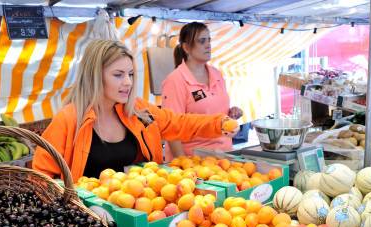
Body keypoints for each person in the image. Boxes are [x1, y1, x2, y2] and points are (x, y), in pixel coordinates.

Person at [33, 39, 237, 180]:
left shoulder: (138, 111)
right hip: (91, 223)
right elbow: (42, 176)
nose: (128, 82)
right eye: (118, 75)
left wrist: (218, 124)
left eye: (130, 74)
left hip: (140, 211)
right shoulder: (69, 119)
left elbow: (178, 123)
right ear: (95, 75)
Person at [161, 22, 243, 160]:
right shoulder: (175, 80)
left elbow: (214, 115)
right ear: (186, 47)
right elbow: (171, 127)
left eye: (209, 40)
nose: (208, 45)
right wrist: (184, 165)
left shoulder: (216, 74)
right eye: (202, 41)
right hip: (194, 161)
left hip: (224, 156)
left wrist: (231, 114)